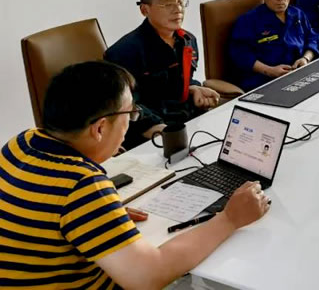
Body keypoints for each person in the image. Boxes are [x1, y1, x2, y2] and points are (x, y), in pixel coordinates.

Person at [0, 61, 269, 289]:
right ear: (100, 128)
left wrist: (99, 218)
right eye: (130, 114)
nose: (132, 121)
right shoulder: (81, 185)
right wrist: (229, 219)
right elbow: (147, 277)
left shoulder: (21, 143)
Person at [105, 0, 220, 150]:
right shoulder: (123, 52)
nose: (178, 9)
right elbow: (123, 105)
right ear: (145, 10)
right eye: (167, 4)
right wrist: (155, 127)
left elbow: (177, 81)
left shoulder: (188, 41)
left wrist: (193, 88)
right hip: (149, 134)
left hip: (187, 120)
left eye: (180, 2)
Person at [229, 0, 319, 91]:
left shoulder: (297, 14)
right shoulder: (248, 21)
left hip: (301, 74)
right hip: (265, 82)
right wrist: (269, 70)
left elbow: (312, 37)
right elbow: (240, 54)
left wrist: (305, 58)